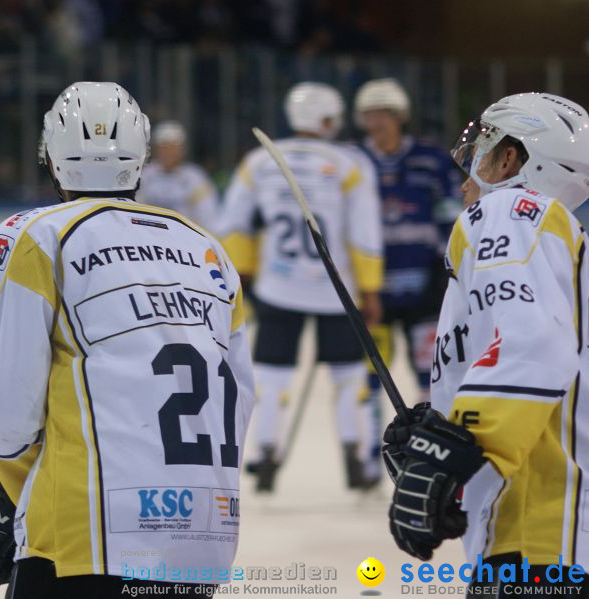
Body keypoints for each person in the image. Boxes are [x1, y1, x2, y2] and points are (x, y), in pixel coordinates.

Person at [0, 82, 255, 598]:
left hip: (88, 531)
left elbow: (2, 409)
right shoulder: (207, 249)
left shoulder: (35, 236)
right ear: (139, 157)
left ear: (50, 157)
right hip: (205, 531)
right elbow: (241, 396)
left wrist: (12, 487)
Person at [385, 93, 589, 599]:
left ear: (511, 158)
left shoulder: (510, 212)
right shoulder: (559, 244)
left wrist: (445, 453)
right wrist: (443, 426)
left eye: (482, 150)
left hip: (541, 537)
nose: (465, 179)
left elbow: (531, 346)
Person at [218, 82, 384, 492]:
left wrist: (243, 272)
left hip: (278, 287)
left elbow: (233, 225)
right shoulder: (350, 163)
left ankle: (266, 457)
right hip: (335, 288)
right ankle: (354, 458)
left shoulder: (258, 162)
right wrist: (370, 288)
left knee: (272, 378)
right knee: (348, 378)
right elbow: (364, 232)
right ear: (326, 119)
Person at [353, 78, 463, 483]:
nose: (377, 122)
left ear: (400, 116)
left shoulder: (432, 160)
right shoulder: (353, 161)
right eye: (370, 114)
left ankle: (426, 452)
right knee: (369, 378)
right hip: (372, 293)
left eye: (384, 114)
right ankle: (368, 458)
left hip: (422, 290)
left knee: (429, 375)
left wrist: (446, 273)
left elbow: (453, 216)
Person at [136, 120, 220, 230]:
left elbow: (208, 214)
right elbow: (136, 207)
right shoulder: (144, 176)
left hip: (185, 236)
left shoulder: (195, 178)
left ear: (182, 150)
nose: (169, 151)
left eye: (174, 146)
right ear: (156, 149)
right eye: (164, 146)